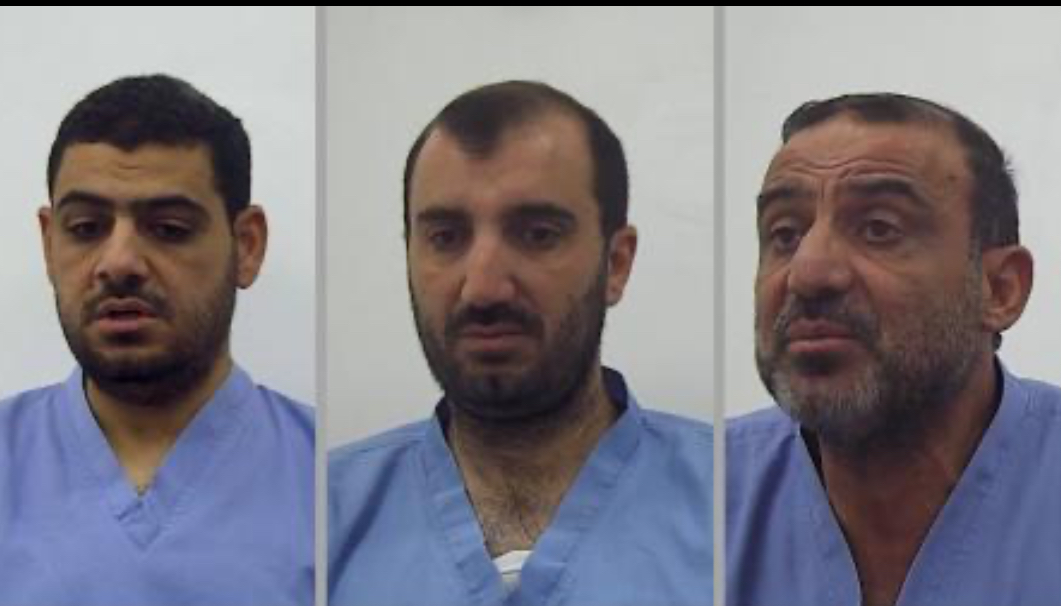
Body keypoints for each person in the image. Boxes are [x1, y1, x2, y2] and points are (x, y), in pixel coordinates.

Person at [328, 80, 712, 606]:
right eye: (446, 238)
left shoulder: (727, 503)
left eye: (537, 235)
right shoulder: (322, 516)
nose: (483, 288)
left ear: (616, 263)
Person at [726, 93, 1060, 606]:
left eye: (879, 229)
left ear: (999, 289)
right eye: (785, 234)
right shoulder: (705, 497)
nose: (807, 272)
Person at [0, 74, 314, 606]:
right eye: (85, 228)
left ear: (247, 245)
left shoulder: (324, 480)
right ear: (49, 244)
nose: (119, 263)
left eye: (169, 228)